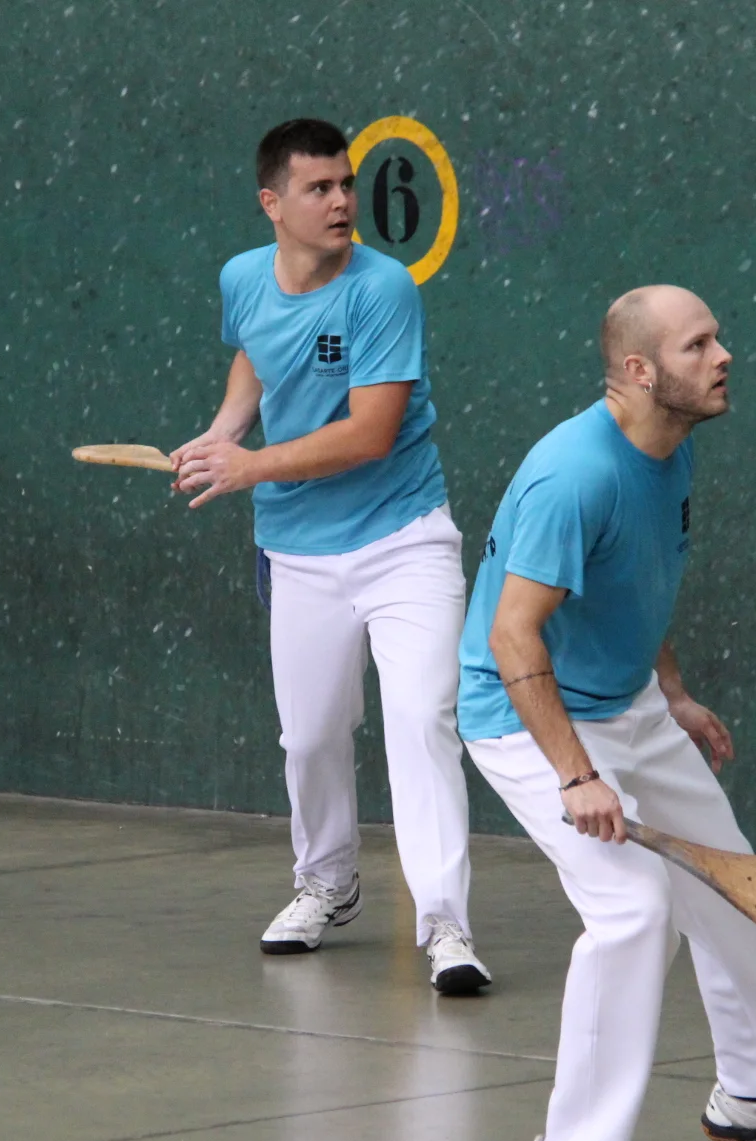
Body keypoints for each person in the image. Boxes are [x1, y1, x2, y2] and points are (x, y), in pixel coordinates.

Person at [456, 285, 756, 1141]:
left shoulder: (670, 447)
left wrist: (671, 691)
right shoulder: (574, 476)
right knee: (634, 910)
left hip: (631, 702)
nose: (724, 356)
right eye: (698, 345)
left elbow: (636, 584)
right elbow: (514, 635)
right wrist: (577, 774)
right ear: (641, 371)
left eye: (717, 337)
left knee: (737, 887)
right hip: (527, 719)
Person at [170, 118, 488, 995]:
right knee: (309, 736)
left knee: (421, 720)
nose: (344, 200)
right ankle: (327, 883)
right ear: (273, 203)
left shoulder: (383, 289)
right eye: (319, 188)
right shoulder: (242, 277)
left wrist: (249, 465)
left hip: (404, 540)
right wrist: (225, 430)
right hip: (298, 552)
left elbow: (371, 433)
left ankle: (446, 923)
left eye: (346, 184)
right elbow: (256, 355)